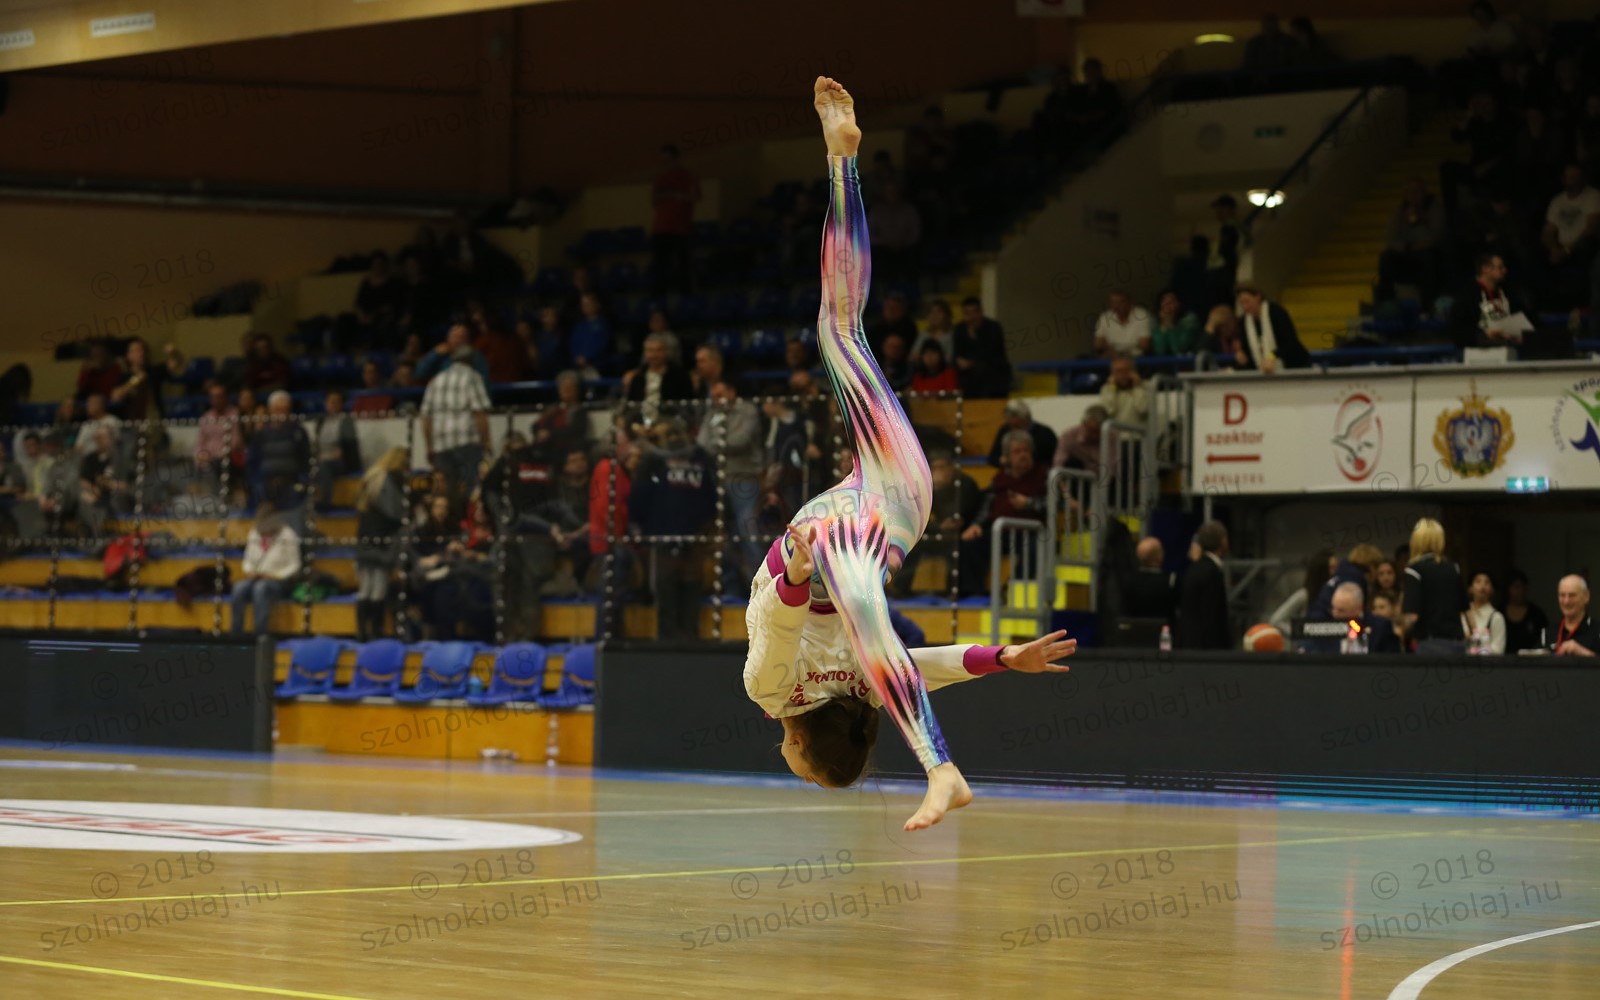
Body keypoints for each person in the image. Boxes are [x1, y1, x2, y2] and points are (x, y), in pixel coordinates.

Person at [743, 78, 1077, 833]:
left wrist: (1003, 659)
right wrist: (798, 566)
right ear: (804, 745)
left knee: (840, 330)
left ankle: (842, 161)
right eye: (803, 769)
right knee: (870, 623)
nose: (788, 763)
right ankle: (940, 768)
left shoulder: (862, 686)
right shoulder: (775, 696)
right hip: (839, 538)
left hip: (894, 500)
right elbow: (788, 631)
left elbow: (927, 666)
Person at [633, 416, 717, 640]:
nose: (674, 439)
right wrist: (645, 528)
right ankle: (667, 643)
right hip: (663, 536)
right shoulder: (653, 461)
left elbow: (712, 496)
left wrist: (706, 527)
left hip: (694, 537)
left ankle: (690, 639)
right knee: (665, 589)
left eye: (677, 433)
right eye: (668, 435)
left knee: (692, 588)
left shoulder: (701, 459)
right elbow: (640, 495)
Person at [697, 378, 765, 594]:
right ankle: (731, 588)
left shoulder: (747, 410)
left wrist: (717, 443)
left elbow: (741, 440)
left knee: (748, 533)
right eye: (713, 396)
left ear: (731, 392)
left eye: (720, 395)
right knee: (721, 536)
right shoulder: (712, 413)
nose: (716, 400)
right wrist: (720, 442)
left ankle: (760, 590)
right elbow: (701, 443)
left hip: (745, 480)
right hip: (717, 481)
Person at [420, 345, 492, 510]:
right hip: (467, 442)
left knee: (446, 492)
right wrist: (487, 442)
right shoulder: (473, 377)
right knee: (471, 488)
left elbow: (425, 417)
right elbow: (479, 413)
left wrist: (429, 446)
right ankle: (467, 523)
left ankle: (449, 524)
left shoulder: (436, 380)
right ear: (472, 361)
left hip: (441, 445)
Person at [354, 448, 408, 641]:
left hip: (365, 538)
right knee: (378, 588)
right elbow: (394, 512)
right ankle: (375, 630)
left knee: (365, 588)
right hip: (382, 540)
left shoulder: (371, 478)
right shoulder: (389, 480)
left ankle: (362, 630)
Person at [231, 504, 301, 636]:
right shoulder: (254, 533)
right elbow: (247, 560)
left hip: (279, 581)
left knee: (261, 589)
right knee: (238, 588)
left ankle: (259, 635)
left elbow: (295, 565)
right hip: (255, 577)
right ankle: (235, 634)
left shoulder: (288, 535)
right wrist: (250, 571)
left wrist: (275, 576)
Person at [246, 391, 311, 529]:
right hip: (265, 485)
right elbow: (252, 463)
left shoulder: (298, 432)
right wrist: (257, 483)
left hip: (291, 484)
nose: (281, 413)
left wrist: (302, 482)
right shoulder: (261, 435)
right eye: (277, 409)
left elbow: (305, 461)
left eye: (285, 409)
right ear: (270, 410)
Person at [1401, 518, 1466, 655]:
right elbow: (1465, 608)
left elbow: (1412, 616)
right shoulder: (1454, 568)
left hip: (1429, 644)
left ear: (1415, 540)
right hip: (1457, 642)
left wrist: (1400, 631)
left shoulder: (1414, 570)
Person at [1378, 178, 1447, 306]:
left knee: (1428, 259)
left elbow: (1436, 236)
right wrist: (1408, 246)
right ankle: (1386, 302)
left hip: (1430, 254)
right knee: (1386, 258)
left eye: (1416, 191)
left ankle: (1428, 304)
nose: (1412, 195)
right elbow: (1391, 239)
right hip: (1408, 252)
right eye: (1408, 191)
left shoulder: (1435, 208)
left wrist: (1421, 220)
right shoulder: (1400, 212)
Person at [1447, 252, 1529, 350]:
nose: (1505, 270)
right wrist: (1485, 333)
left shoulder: (1508, 293)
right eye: (1500, 267)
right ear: (1485, 268)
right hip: (1479, 353)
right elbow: (1458, 331)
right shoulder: (1467, 296)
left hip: (1509, 349)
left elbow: (1528, 318)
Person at [651, 144, 700, 296]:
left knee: (683, 264)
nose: (664, 163)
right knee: (660, 266)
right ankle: (659, 297)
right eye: (662, 159)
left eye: (667, 159)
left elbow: (694, 196)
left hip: (681, 228)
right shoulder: (660, 178)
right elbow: (654, 200)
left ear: (675, 158)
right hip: (661, 228)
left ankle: (686, 296)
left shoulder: (687, 177)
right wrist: (674, 195)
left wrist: (674, 195)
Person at [1177, 520, 1230, 650]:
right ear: (1223, 541)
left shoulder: (1193, 568)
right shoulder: (1212, 572)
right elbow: (1212, 615)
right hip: (1206, 647)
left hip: (1190, 643)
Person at [1233, 283, 1310, 372]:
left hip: (1294, 365)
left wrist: (1272, 356)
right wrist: (1241, 355)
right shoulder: (1243, 322)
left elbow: (1290, 343)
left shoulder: (1276, 312)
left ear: (1258, 297)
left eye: (1247, 301)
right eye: (1241, 303)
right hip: (1263, 369)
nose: (1245, 306)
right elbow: (1248, 351)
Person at [622, 333, 694, 423]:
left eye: (658, 350)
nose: (654, 355)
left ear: (666, 352)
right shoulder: (638, 378)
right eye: (650, 350)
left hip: (670, 423)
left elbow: (686, 407)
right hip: (641, 423)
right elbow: (631, 406)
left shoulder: (680, 376)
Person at [952, 296, 1012, 399]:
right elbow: (956, 354)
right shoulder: (959, 329)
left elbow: (992, 355)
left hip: (993, 374)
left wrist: (974, 338)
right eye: (967, 313)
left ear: (981, 312)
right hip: (968, 378)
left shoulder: (994, 328)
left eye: (974, 312)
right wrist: (960, 361)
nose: (972, 317)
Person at [1309, 543, 1384, 620]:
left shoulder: (1344, 574)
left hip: (1315, 621)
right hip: (1326, 622)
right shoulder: (1355, 579)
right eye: (1377, 567)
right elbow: (1354, 614)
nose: (1377, 572)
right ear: (1371, 566)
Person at [1268, 549, 1334, 635]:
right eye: (1331, 568)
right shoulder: (1305, 594)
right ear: (1321, 570)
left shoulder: (1337, 594)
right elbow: (1277, 620)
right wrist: (1301, 633)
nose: (1335, 572)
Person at [313, 390, 361, 510]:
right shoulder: (321, 421)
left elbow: (349, 447)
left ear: (341, 404)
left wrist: (332, 456)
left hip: (340, 461)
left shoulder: (346, 421)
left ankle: (325, 501)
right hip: (322, 458)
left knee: (324, 466)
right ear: (325, 403)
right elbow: (317, 444)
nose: (333, 404)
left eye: (336, 402)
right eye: (330, 402)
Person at [986, 400, 1056, 469]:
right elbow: (992, 458)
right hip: (1011, 472)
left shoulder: (1045, 433)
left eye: (1017, 425)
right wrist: (1001, 461)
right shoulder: (1005, 430)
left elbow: (1055, 460)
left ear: (1027, 419)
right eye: (1011, 425)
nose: (1014, 429)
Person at [415, 324, 491, 385]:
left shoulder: (475, 356)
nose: (456, 340)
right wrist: (434, 354)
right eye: (454, 336)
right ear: (448, 339)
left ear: (467, 340)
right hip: (443, 394)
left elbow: (485, 382)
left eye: (460, 337)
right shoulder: (440, 355)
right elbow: (419, 373)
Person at [1123, 537, 1176, 622]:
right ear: (1159, 556)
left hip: (1136, 628)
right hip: (1165, 628)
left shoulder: (1129, 582)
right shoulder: (1171, 581)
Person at [1502, 568, 1549, 654]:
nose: (1517, 591)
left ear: (1526, 588)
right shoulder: (1499, 613)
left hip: (1532, 660)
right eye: (1514, 587)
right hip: (1504, 659)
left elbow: (1544, 642)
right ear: (1508, 589)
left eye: (1520, 587)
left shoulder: (1537, 614)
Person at [1093, 290, 1151, 357]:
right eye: (1114, 303)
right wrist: (1133, 345)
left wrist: (1113, 346)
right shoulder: (1104, 317)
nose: (1117, 306)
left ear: (1130, 302)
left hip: (1137, 358)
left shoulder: (1141, 315)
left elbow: (1144, 344)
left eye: (1121, 302)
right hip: (1112, 358)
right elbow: (1098, 344)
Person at [1551, 575, 1598, 656]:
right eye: (1562, 595)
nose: (1566, 601)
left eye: (1572, 595)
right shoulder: (1547, 633)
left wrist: (1584, 654)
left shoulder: (1597, 631)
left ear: (1586, 596)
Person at [1053, 405, 1107, 475]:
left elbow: (1112, 470)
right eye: (1090, 430)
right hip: (1078, 477)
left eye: (1097, 432)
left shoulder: (1112, 438)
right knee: (1072, 463)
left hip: (1103, 478)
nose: (1094, 435)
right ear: (1083, 425)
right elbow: (1059, 463)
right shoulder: (1069, 436)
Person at [1098, 353, 1150, 426]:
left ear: (1133, 371)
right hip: (1115, 432)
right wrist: (1113, 388)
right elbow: (1109, 411)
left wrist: (1136, 386)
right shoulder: (1107, 389)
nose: (1121, 375)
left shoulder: (1145, 386)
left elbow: (1143, 409)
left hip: (1138, 432)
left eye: (1125, 370)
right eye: (1117, 371)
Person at [1462, 571, 1507, 654]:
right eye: (1478, 581)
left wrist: (1475, 651)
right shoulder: (1462, 614)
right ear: (1470, 589)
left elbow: (1498, 650)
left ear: (1492, 590)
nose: (1482, 586)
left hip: (1486, 662)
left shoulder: (1496, 617)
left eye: (1487, 582)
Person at [1151, 291, 1200, 356]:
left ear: (1179, 303)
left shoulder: (1189, 319)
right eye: (1164, 302)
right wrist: (1163, 326)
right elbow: (1160, 351)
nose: (1167, 305)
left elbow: (1178, 350)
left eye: (1171, 302)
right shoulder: (1155, 321)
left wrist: (1170, 325)